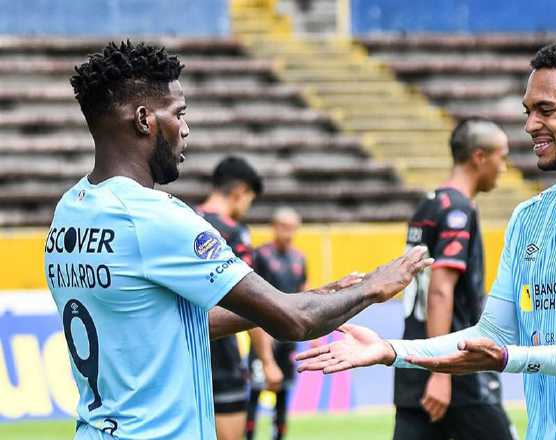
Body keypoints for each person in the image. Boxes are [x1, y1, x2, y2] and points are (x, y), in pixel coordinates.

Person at [296, 39, 556, 440]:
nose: (530, 125)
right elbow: (493, 335)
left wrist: (508, 359)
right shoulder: (528, 218)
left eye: (546, 110)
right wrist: (391, 351)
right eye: (528, 111)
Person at [45, 41, 432, 440]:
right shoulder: (156, 217)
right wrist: (373, 287)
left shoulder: (71, 210)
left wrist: (317, 293)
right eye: (179, 114)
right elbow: (295, 322)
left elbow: (172, 325)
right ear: (145, 120)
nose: (186, 128)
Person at [393, 118, 516, 440]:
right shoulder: (457, 211)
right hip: (455, 365)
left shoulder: (429, 204)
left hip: (415, 361)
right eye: (501, 157)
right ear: (479, 156)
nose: (504, 167)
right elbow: (440, 290)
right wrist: (441, 371)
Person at [196, 156, 264, 440]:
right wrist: (267, 360)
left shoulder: (181, 219)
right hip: (222, 359)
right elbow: (255, 302)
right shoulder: (234, 232)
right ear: (241, 192)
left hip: (182, 354)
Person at [245, 207, 306, 440]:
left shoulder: (299, 258)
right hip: (264, 336)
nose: (288, 233)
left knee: (283, 393)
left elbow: (302, 293)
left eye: (292, 228)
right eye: (284, 227)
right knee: (256, 391)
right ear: (274, 226)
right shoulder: (260, 255)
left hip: (287, 339)